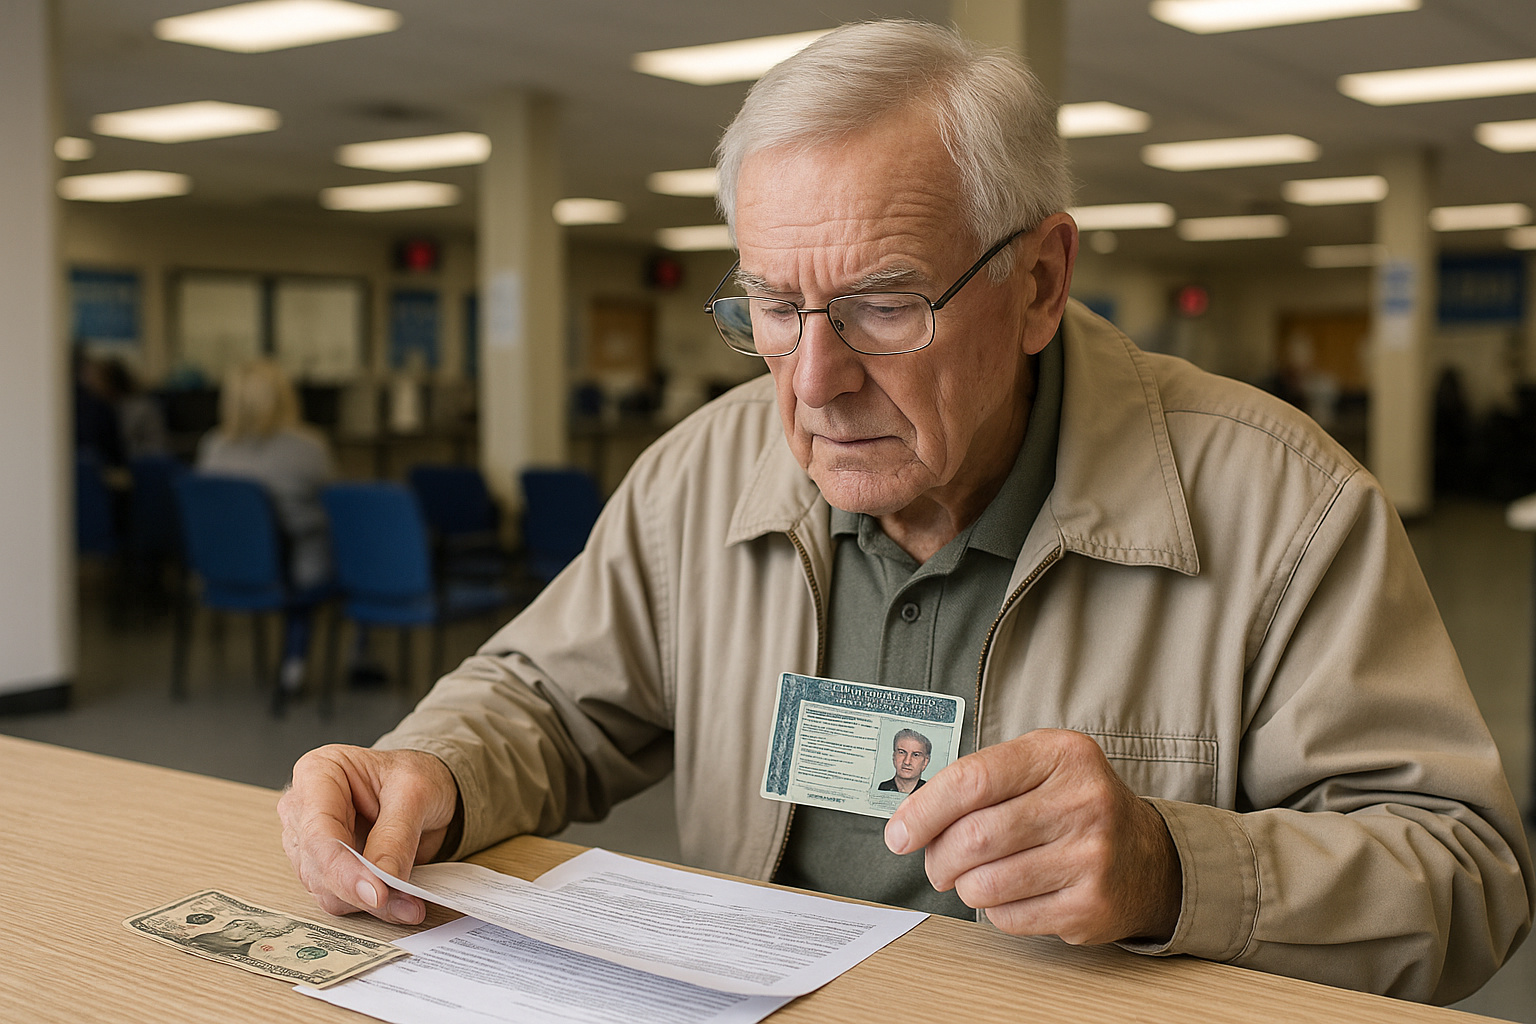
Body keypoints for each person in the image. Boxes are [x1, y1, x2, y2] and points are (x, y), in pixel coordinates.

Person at [278, 21, 1533, 1004]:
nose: (814, 384)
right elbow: (546, 701)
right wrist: (430, 765)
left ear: (1040, 282)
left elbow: (1466, 877)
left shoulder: (1282, 506)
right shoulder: (701, 472)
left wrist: (1171, 868)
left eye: (884, 304)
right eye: (772, 306)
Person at [198, 359, 333, 693]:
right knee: (359, 557)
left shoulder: (213, 447)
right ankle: (300, 663)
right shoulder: (307, 448)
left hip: (224, 570)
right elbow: (334, 503)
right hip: (292, 570)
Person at [877, 730, 931, 794]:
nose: (907, 762)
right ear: (894, 756)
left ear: (925, 761)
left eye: (915, 755)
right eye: (902, 752)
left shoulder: (930, 792)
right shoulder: (883, 788)